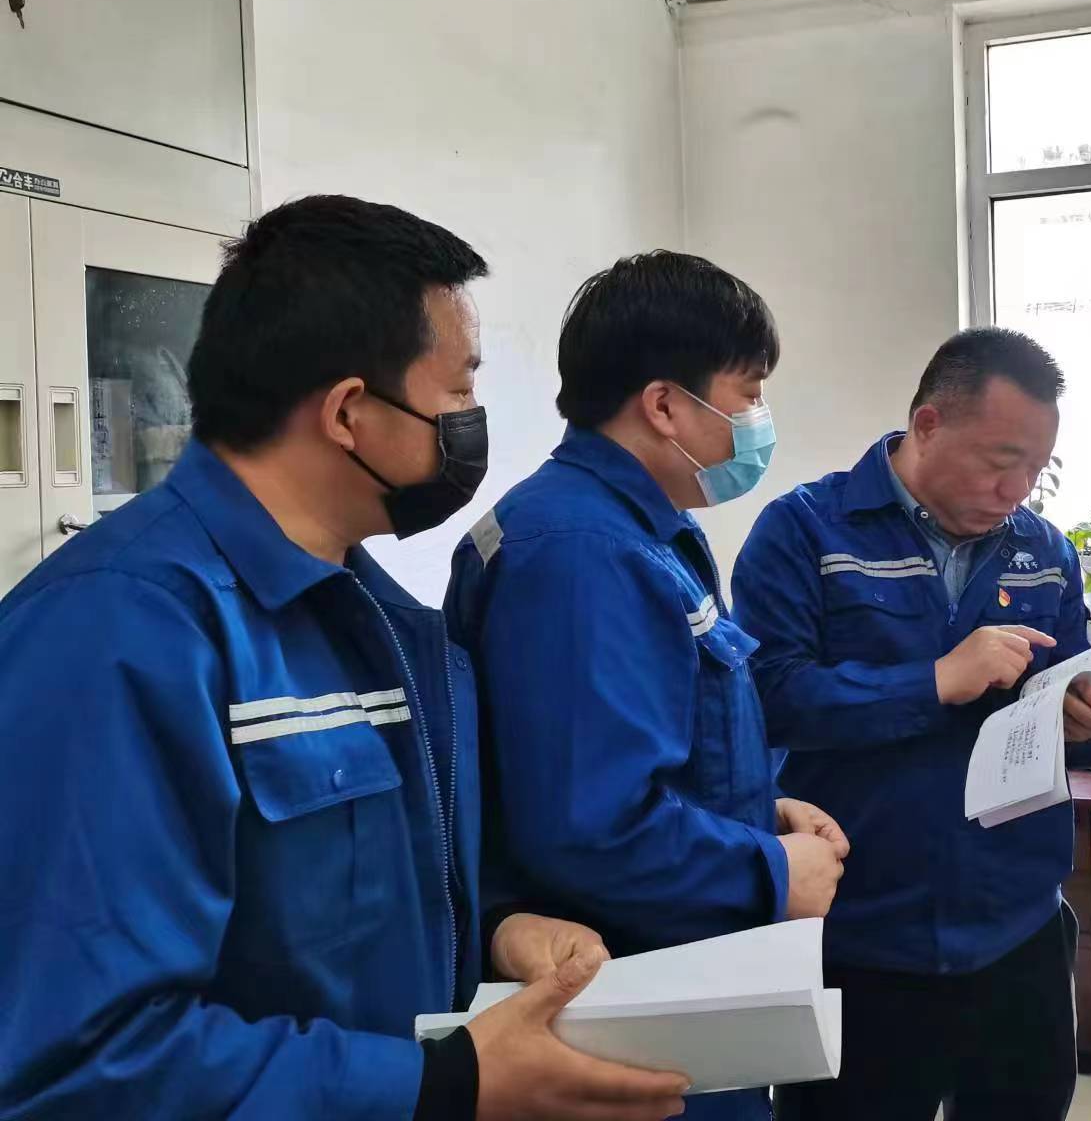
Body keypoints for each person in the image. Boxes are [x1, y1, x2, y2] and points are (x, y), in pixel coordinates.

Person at [0, 195, 690, 1121]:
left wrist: (494, 930)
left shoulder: (373, 614)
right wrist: (443, 1083)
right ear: (349, 413)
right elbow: (75, 1062)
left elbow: (330, 914)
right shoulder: (119, 633)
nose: (472, 421)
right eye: (459, 392)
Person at [446, 251, 847, 1121]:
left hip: (676, 971)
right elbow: (590, 826)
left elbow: (634, 745)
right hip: (635, 999)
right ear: (664, 405)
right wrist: (769, 869)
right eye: (748, 394)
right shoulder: (582, 555)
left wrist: (759, 807)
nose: (758, 421)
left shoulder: (635, 531)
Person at [733, 328, 1091, 1121]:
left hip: (1016, 924)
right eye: (999, 460)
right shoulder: (806, 532)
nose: (1017, 488)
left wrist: (1088, 719)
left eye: (1037, 468)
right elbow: (770, 698)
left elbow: (1064, 699)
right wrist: (935, 681)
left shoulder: (1043, 550)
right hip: (864, 932)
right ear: (928, 424)